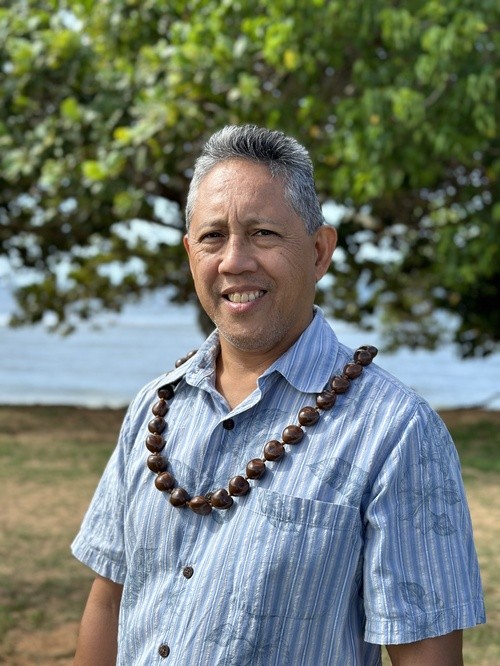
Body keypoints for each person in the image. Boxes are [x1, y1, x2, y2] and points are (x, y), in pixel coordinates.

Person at [72, 124, 485, 665]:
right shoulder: (155, 408)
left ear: (319, 251)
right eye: (212, 237)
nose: (234, 260)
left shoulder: (395, 431)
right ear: (190, 253)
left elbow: (425, 655)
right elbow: (110, 601)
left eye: (263, 233)